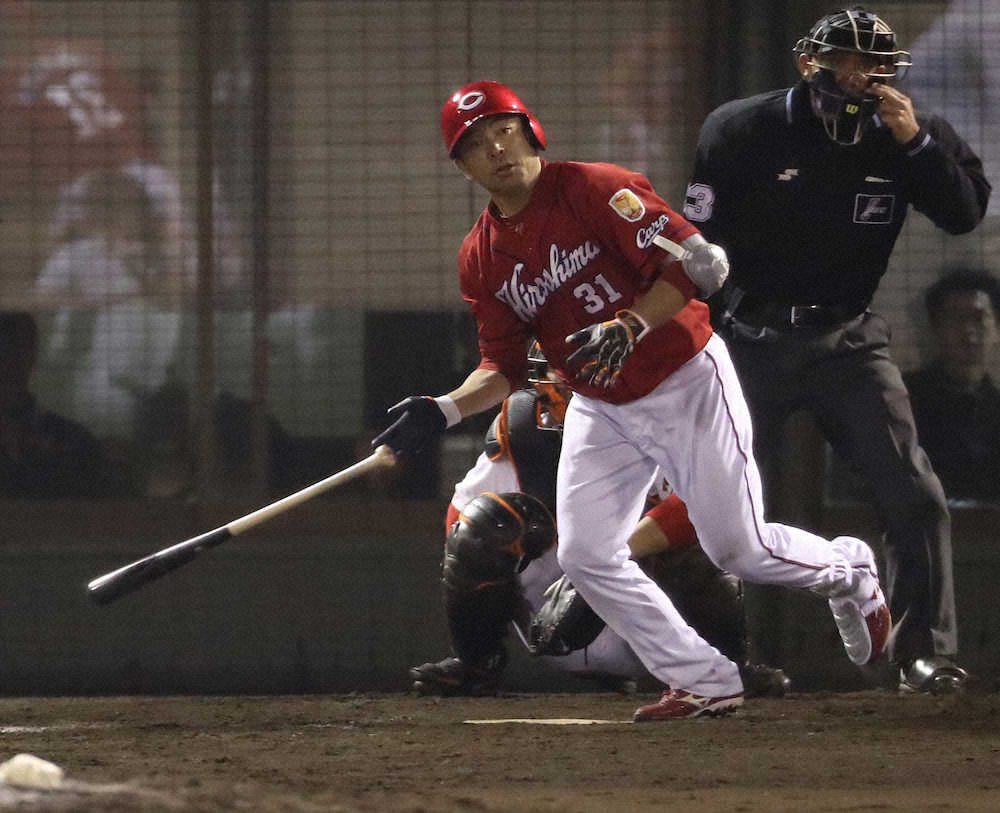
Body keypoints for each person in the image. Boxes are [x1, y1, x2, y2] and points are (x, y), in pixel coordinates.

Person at [373, 79, 889, 722]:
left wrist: (631, 324)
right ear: (463, 166)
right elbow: (501, 368)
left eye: (504, 130)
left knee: (739, 550)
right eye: (477, 143)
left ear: (531, 132)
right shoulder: (481, 256)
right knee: (587, 555)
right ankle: (704, 678)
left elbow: (696, 268)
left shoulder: (594, 188)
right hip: (601, 403)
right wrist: (444, 408)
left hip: (684, 378)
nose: (497, 149)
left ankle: (849, 570)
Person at [684, 7, 990, 694]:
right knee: (706, 497)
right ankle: (706, 655)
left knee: (913, 492)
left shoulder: (909, 133)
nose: (858, 76)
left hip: (847, 339)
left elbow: (965, 211)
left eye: (873, 64)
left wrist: (915, 145)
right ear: (809, 64)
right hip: (749, 336)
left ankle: (922, 655)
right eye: (844, 61)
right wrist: (698, 343)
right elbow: (697, 247)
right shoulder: (741, 127)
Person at [410, 346, 791, 699]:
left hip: (650, 620)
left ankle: (725, 668)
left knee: (704, 539)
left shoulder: (664, 421)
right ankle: (477, 665)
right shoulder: (525, 432)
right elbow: (462, 521)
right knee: (486, 524)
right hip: (550, 620)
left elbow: (706, 506)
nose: (571, 379)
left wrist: (606, 561)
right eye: (562, 367)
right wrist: (511, 577)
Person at [0, 311, 132, 497]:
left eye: (14, 351)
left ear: (32, 357)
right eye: (4, 351)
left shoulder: (73, 443)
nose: (7, 361)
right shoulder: (73, 441)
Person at [904, 270, 1000, 504]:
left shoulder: (996, 408)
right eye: (955, 318)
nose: (968, 330)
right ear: (935, 327)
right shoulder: (902, 399)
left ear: (996, 329)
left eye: (978, 317)